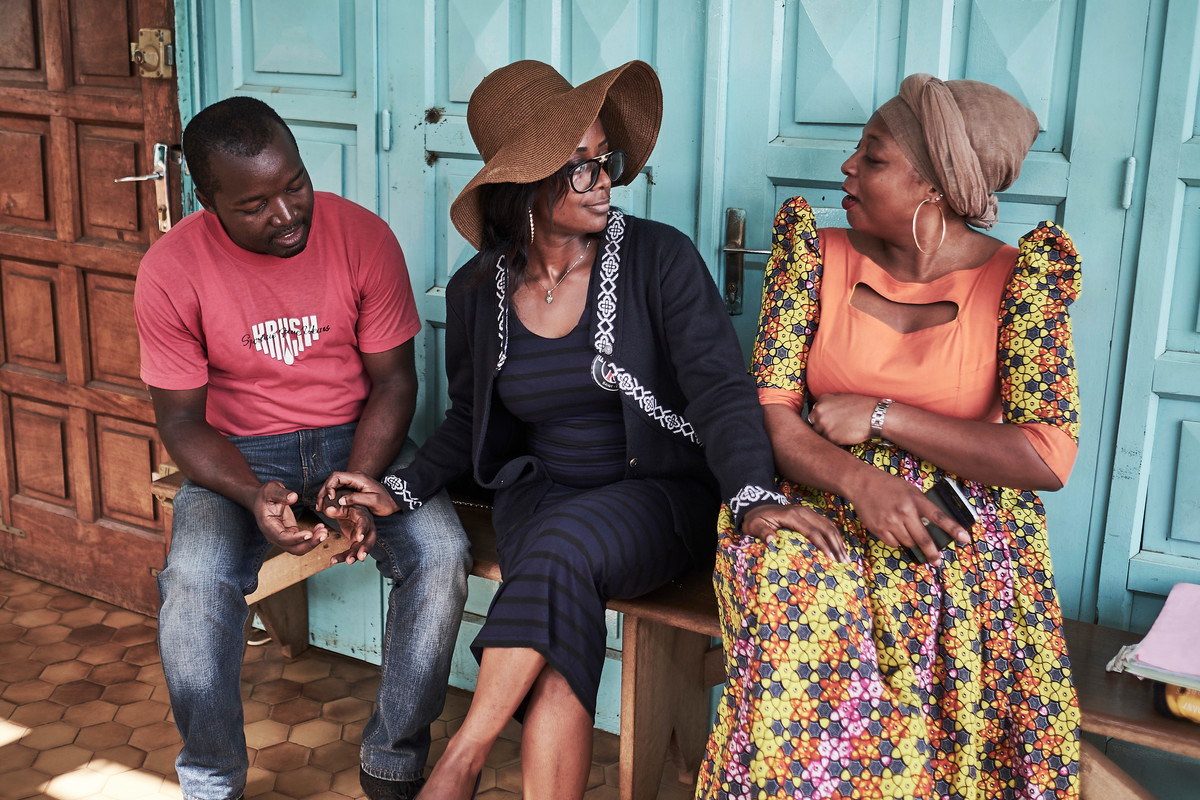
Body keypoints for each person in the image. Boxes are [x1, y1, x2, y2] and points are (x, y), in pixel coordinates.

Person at [316, 60, 839, 800]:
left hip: (657, 496)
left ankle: (461, 760)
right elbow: (470, 417)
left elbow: (722, 392)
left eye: (605, 161)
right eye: (578, 168)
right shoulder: (479, 291)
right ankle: (466, 768)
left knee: (561, 557)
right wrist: (398, 488)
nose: (603, 181)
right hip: (544, 497)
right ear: (525, 187)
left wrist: (753, 495)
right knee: (562, 648)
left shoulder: (661, 260)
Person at [696, 73, 1083, 799]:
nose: (846, 167)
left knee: (932, 596)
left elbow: (1046, 453)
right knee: (790, 580)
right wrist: (862, 482)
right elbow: (770, 410)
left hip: (948, 516)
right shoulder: (814, 254)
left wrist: (882, 414)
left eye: (871, 157)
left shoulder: (1020, 282)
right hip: (821, 490)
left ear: (933, 185)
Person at [134, 97, 471, 800]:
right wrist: (252, 495)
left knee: (441, 555)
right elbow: (183, 423)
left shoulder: (362, 237)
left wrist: (360, 479)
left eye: (295, 184)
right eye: (256, 203)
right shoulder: (171, 270)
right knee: (193, 583)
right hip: (237, 458)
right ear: (208, 200)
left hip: (359, 436)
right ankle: (211, 781)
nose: (287, 213)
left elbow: (394, 382)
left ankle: (394, 763)